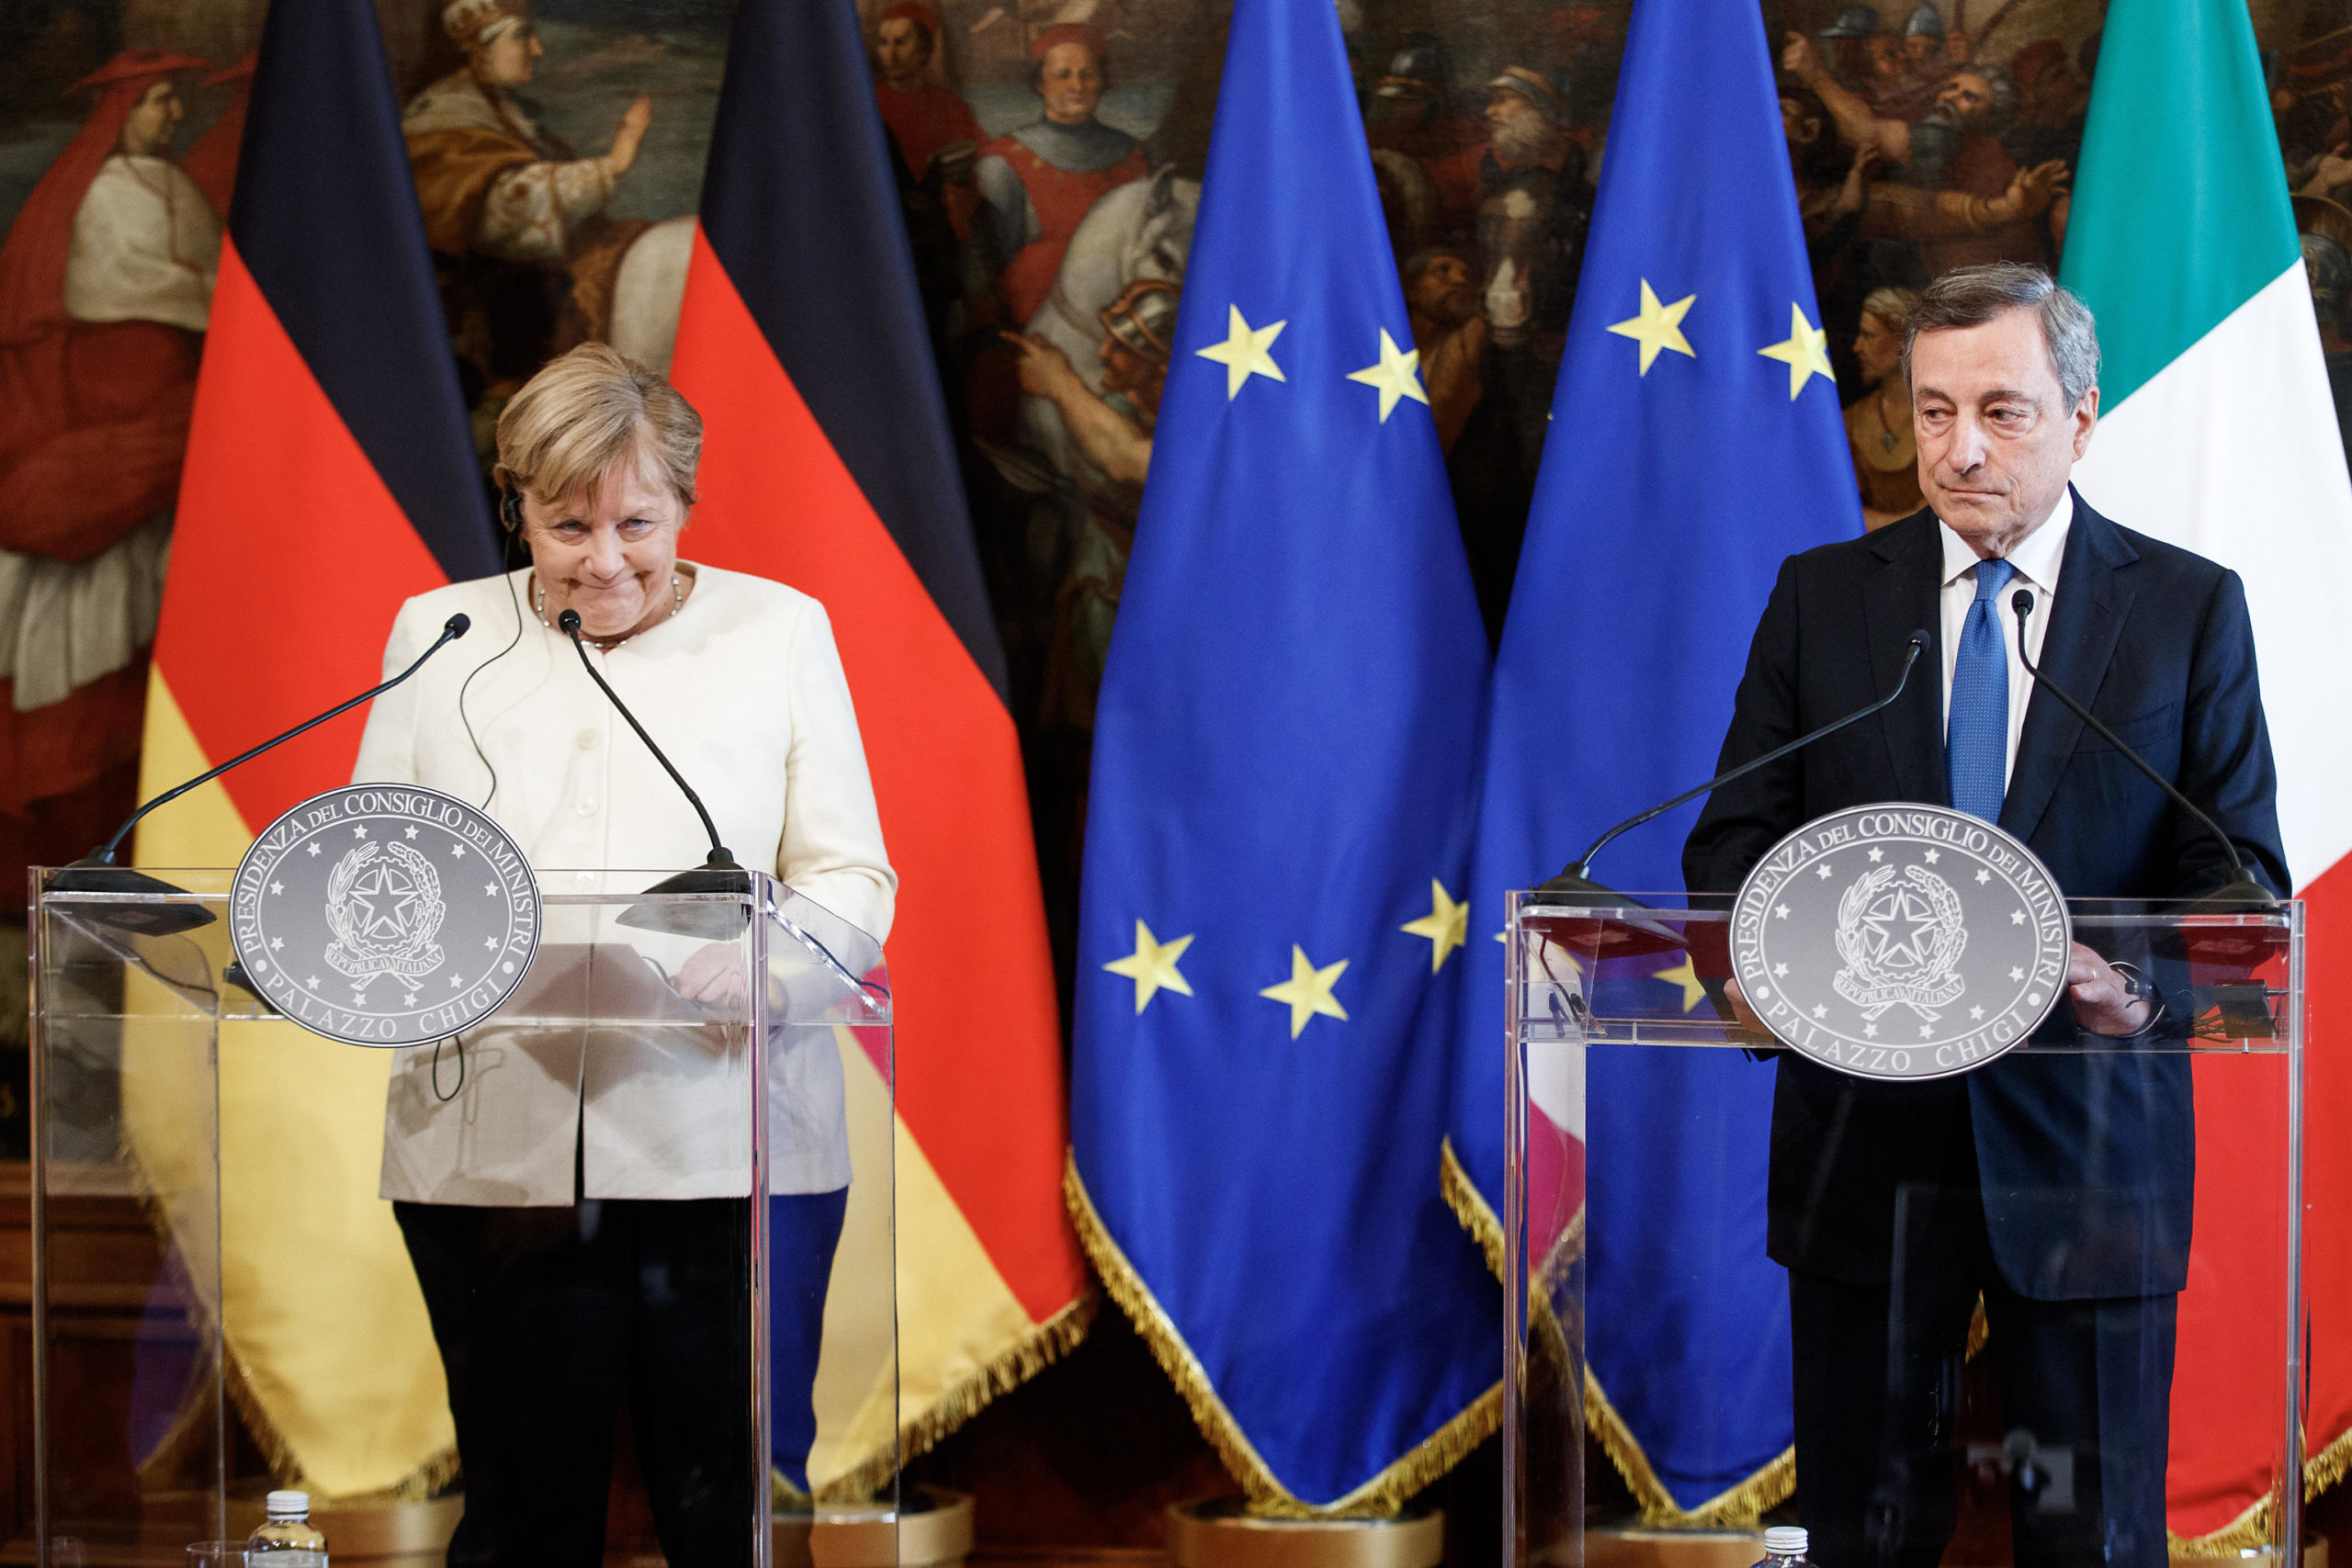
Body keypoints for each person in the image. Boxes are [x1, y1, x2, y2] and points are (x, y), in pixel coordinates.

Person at [1683, 264, 2288, 1568]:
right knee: (1864, 1533)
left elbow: (2240, 879)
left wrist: (2131, 982)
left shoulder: (2184, 610)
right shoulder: (1823, 598)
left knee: (2090, 1536)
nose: (1959, 450)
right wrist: (1778, 959)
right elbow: (1732, 847)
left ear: (2083, 414)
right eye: (1933, 409)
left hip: (2086, 1154)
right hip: (1866, 1153)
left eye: (2003, 411)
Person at [352, 344, 895, 1566]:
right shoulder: (439, 633)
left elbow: (852, 873)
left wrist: (778, 964)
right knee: (521, 1518)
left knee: (725, 1516)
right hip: (496, 1154)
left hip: (726, 1135)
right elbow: (379, 863)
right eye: (567, 523)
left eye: (637, 522)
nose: (605, 558)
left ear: (686, 504)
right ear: (517, 508)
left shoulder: (778, 631)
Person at [0, 49, 214, 910]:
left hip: (160, 427)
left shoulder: (171, 186)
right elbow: (136, 287)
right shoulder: (104, 192)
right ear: (120, 109)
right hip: (111, 422)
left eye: (171, 101)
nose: (169, 115)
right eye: (158, 101)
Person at [402, 0, 654, 391]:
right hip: (480, 323)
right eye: (522, 37)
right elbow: (501, 211)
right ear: (478, 48)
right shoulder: (441, 118)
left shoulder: (509, 112)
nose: (537, 49)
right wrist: (613, 165)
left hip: (526, 302)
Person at [974, 24, 1149, 325]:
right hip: (1037, 323)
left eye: (1087, 74)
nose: (1077, 87)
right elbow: (989, 270)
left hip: (1129, 322)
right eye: (1063, 75)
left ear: (1102, 81)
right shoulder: (1003, 163)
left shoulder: (1139, 156)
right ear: (1040, 83)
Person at [871, 1, 983, 186]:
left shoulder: (951, 107)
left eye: (900, 43)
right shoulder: (867, 105)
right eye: (883, 43)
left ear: (924, 50)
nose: (890, 55)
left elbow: (976, 159)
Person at [1845, 286, 1925, 528]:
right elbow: (1842, 510)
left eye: (1868, 336)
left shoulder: (1945, 415)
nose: (1857, 347)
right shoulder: (1851, 420)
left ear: (1902, 340)